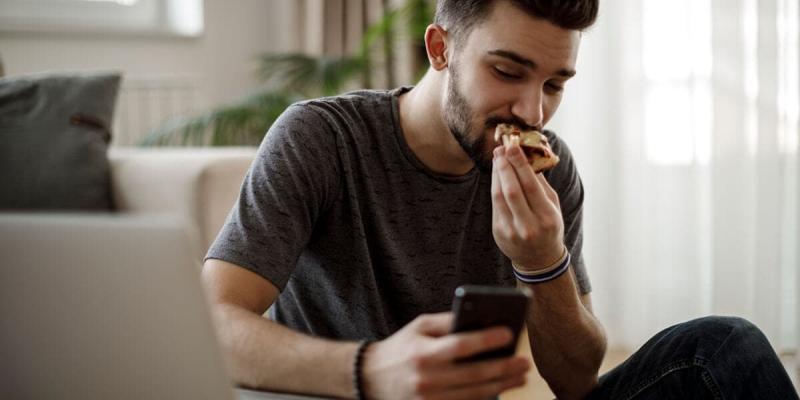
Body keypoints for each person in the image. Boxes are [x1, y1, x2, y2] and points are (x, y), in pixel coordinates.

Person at [202, 0, 799, 399]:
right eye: (508, 71)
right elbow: (212, 324)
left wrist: (544, 262)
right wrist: (370, 369)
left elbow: (573, 380)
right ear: (440, 49)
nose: (533, 111)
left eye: (555, 84)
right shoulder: (321, 139)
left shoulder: (550, 172)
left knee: (724, 348)